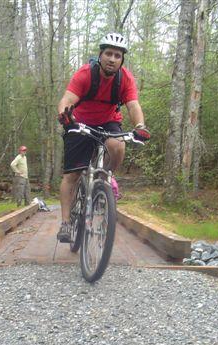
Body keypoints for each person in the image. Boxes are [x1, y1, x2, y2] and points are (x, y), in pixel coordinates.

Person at [56, 32, 150, 242]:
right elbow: (67, 99)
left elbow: (133, 105)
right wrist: (65, 116)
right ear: (100, 55)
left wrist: (140, 126)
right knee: (72, 175)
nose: (112, 59)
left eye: (117, 55)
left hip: (108, 121)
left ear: (122, 59)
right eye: (109, 53)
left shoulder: (125, 78)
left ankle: (104, 180)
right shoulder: (85, 74)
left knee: (117, 146)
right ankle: (65, 223)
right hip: (79, 122)